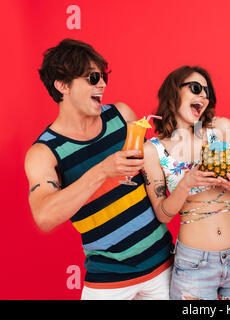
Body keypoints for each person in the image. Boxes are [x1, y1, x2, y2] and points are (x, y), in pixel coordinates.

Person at [24, 39, 173, 300]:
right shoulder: (44, 152)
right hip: (108, 281)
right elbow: (44, 216)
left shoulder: (121, 115)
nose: (102, 84)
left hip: (164, 267)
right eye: (93, 78)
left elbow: (155, 175)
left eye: (103, 77)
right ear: (63, 85)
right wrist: (102, 171)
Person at [142, 65, 230, 300]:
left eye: (207, 92)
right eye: (196, 88)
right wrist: (186, 183)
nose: (203, 96)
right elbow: (163, 214)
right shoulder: (152, 151)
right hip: (194, 264)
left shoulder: (222, 128)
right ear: (174, 92)